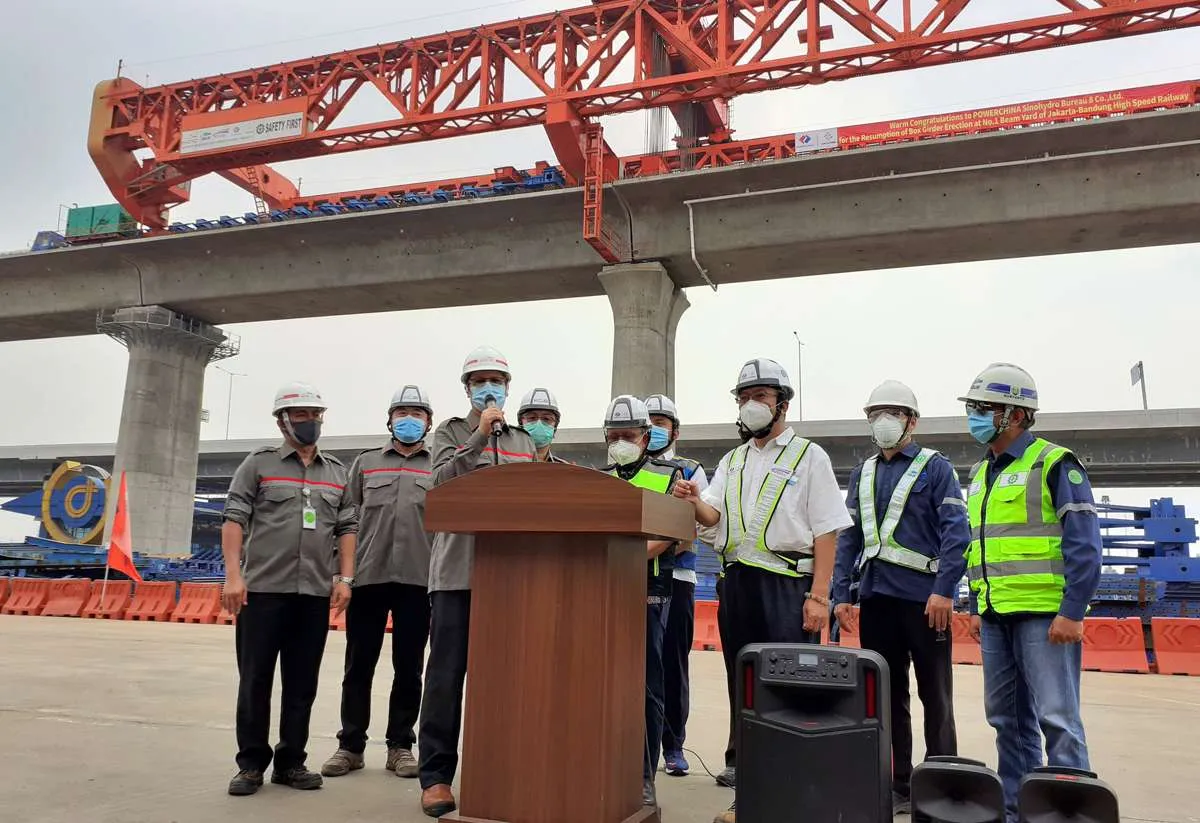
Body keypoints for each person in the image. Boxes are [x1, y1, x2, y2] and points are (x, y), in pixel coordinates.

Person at [670, 358, 852, 823]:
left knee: (789, 688)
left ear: (782, 405)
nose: (750, 406)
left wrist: (819, 596)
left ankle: (794, 791)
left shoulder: (809, 456)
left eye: (760, 398)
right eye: (744, 398)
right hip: (738, 585)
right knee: (743, 687)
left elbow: (828, 531)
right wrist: (693, 500)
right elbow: (713, 519)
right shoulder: (732, 461)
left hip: (789, 587)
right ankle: (751, 792)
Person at [958, 363, 1102, 823]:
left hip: (1046, 614)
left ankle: (1071, 812)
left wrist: (1073, 611)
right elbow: (979, 547)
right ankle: (1019, 811)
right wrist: (979, 604)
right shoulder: (981, 474)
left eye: (985, 408)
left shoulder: (1054, 462)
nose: (976, 416)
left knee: (1058, 720)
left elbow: (1085, 543)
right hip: (996, 614)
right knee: (1007, 722)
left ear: (1016, 414)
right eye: (974, 408)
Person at [832, 380, 970, 815]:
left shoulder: (936, 468)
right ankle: (899, 783)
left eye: (892, 412)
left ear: (912, 420)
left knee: (936, 696)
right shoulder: (862, 472)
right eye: (875, 413)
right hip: (876, 601)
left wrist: (944, 591)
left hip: (925, 603)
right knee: (886, 699)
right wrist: (841, 595)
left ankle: (942, 782)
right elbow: (848, 539)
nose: (882, 421)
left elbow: (956, 534)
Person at [418, 346, 537, 818]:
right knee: (446, 678)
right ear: (467, 388)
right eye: (480, 380)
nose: (490, 388)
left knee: (508, 679)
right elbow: (440, 484)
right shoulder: (449, 432)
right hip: (457, 574)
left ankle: (502, 768)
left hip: (511, 578)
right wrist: (476, 438)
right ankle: (436, 776)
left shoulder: (524, 441)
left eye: (497, 380)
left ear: (508, 387)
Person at [221, 382, 357, 797]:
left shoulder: (336, 471)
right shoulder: (258, 464)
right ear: (282, 421)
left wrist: (345, 579)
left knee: (302, 683)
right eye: (301, 415)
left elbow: (347, 527)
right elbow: (233, 518)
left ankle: (291, 762)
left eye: (315, 415)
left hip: (313, 594)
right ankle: (250, 765)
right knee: (255, 680)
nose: (310, 422)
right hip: (262, 592)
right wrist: (232, 575)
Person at [322, 385, 435, 781]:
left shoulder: (438, 464)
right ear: (389, 420)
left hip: (418, 581)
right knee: (359, 665)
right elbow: (346, 521)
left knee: (409, 668)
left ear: (429, 422)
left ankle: (401, 746)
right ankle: (350, 746)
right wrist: (342, 575)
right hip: (368, 578)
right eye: (401, 412)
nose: (409, 419)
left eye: (417, 413)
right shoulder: (366, 463)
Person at [600, 394, 685, 809]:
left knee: (647, 687)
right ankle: (602, 768)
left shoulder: (669, 475)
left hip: (648, 591)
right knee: (602, 686)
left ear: (645, 436)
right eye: (613, 436)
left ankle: (642, 776)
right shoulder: (597, 478)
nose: (620, 442)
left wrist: (627, 555)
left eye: (627, 435)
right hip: (602, 591)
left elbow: (673, 534)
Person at [644, 393, 708, 778]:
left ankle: (674, 744)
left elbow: (690, 531)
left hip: (677, 579)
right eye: (647, 421)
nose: (653, 429)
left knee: (672, 662)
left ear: (675, 430)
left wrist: (655, 544)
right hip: (632, 578)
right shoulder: (631, 467)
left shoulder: (689, 470)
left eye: (661, 422)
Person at [517, 387, 571, 464]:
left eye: (546, 419)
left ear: (555, 427)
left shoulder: (564, 469)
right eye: (532, 418)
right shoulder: (503, 462)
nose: (539, 424)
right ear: (521, 423)